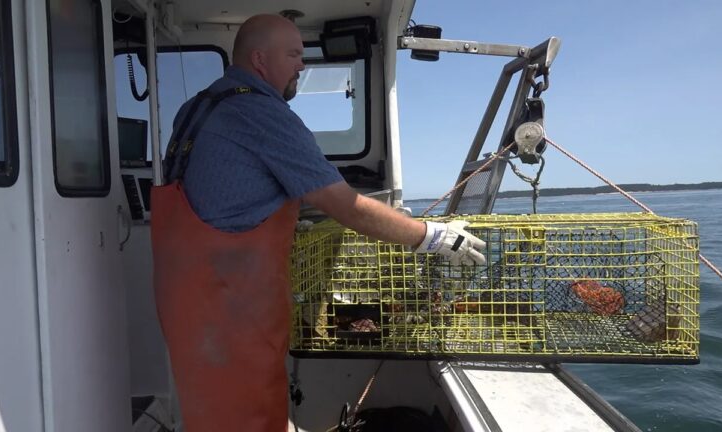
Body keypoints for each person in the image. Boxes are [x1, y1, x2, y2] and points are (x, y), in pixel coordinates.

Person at [151, 14, 486, 431]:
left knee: (213, 414)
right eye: (293, 53)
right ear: (259, 59)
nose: (301, 65)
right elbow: (344, 205)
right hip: (230, 311)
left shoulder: (197, 107)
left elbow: (228, 196)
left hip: (187, 304)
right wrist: (432, 236)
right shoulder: (260, 112)